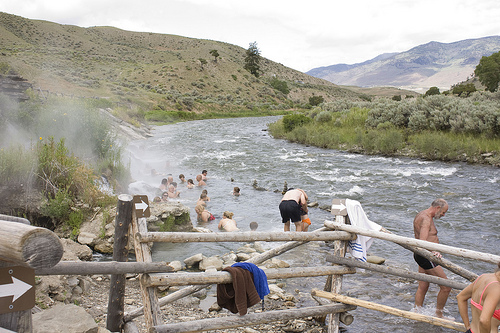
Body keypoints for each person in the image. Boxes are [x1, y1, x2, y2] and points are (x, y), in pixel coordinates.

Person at [413, 198, 451, 318]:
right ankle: (439, 314)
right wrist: (433, 251)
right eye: (444, 212)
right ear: (438, 208)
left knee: (423, 286)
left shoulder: (421, 214)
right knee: (446, 287)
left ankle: (417, 311)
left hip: (420, 254)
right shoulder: (426, 219)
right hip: (426, 255)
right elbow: (423, 242)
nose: (444, 215)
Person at [457, 263, 500, 333]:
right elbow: (484, 320)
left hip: (471, 331)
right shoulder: (496, 289)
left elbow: (461, 297)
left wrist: (467, 326)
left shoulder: (483, 277)